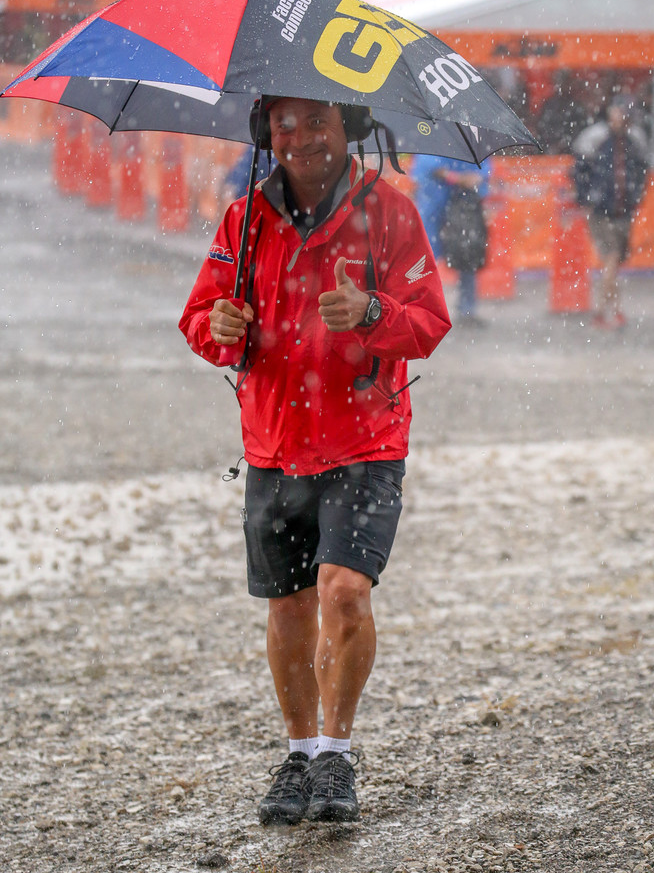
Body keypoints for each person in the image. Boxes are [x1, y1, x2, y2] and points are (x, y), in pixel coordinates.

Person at [179, 97, 451, 825]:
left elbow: (428, 322)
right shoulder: (242, 220)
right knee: (289, 605)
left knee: (342, 592)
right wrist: (221, 325)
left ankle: (336, 750)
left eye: (316, 121)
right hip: (271, 444)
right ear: (265, 131)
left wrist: (370, 314)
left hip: (365, 442)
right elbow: (198, 321)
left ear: (348, 127)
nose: (298, 138)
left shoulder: (388, 212)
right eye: (283, 123)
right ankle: (298, 755)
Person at [572, 96, 648, 328]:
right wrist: (587, 197)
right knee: (612, 259)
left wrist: (635, 196)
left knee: (612, 263)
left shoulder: (634, 139)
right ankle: (604, 311)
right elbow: (578, 169)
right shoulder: (595, 138)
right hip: (602, 210)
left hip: (622, 209)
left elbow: (641, 170)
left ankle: (612, 310)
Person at [411, 155, 491, 324]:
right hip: (434, 206)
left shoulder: (468, 139)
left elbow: (482, 172)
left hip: (463, 208)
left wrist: (472, 179)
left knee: (467, 256)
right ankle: (419, 309)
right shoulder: (432, 137)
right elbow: (428, 167)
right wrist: (457, 178)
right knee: (426, 258)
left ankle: (466, 309)